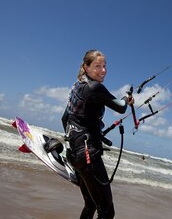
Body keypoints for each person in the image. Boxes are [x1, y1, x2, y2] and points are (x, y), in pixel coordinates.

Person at [61, 49, 134, 219]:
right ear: (86, 67)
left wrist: (71, 144)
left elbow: (65, 118)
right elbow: (121, 107)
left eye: (104, 66)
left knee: (91, 204)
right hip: (88, 156)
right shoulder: (94, 87)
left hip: (76, 153)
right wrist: (126, 97)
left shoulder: (77, 86)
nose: (103, 70)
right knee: (107, 211)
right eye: (97, 66)